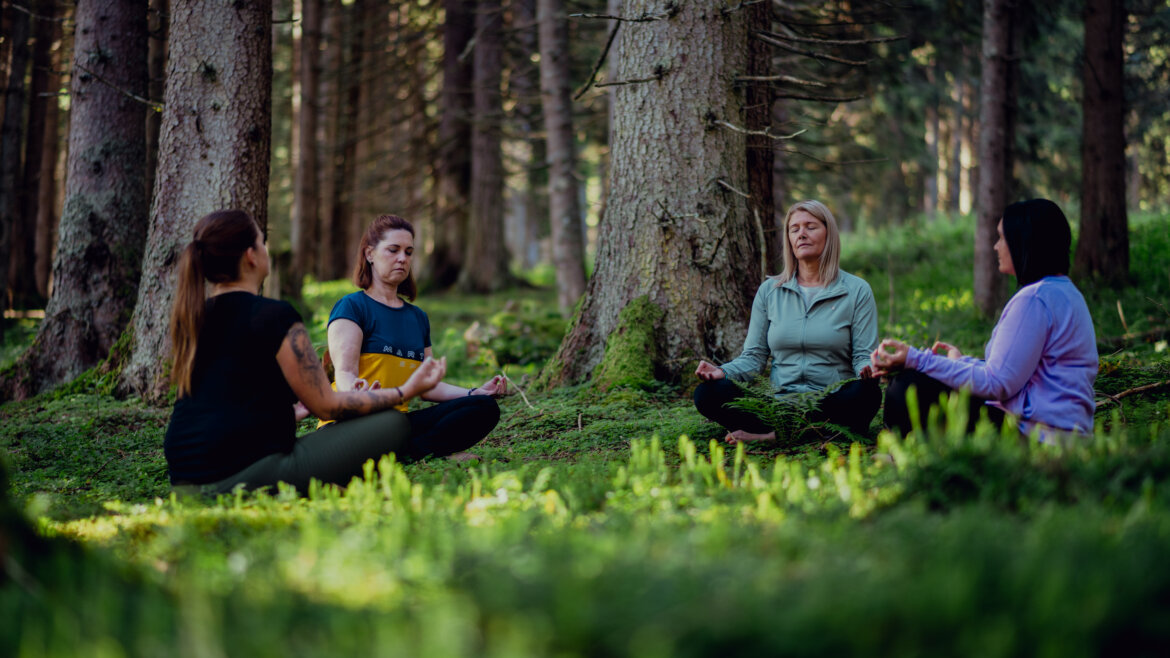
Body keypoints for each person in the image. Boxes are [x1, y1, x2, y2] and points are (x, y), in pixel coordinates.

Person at [164, 210, 447, 494]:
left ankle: (311, 489)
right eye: (263, 242)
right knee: (393, 422)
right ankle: (296, 490)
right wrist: (405, 391)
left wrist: (288, 413)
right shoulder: (275, 315)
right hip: (246, 473)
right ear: (251, 255)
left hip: (183, 479)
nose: (267, 250)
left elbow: (221, 400)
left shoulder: (191, 317)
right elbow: (328, 407)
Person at [871, 198, 1098, 440]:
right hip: (1060, 434)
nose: (995, 246)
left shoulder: (1035, 299)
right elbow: (1013, 375)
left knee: (909, 385)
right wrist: (961, 363)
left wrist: (916, 359)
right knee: (919, 378)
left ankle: (906, 461)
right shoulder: (1065, 293)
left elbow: (996, 384)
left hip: (1037, 437)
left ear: (1023, 241)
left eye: (1002, 237)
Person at [693, 200, 881, 443]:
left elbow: (863, 355)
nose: (801, 234)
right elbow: (754, 357)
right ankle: (804, 433)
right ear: (789, 239)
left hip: (831, 401)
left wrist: (868, 370)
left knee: (867, 393)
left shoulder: (856, 290)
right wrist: (722, 372)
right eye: (794, 229)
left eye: (810, 227)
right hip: (778, 406)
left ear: (829, 234)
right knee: (708, 394)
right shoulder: (770, 291)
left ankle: (772, 437)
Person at [325, 214, 504, 461]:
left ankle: (410, 455)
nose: (402, 258)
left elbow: (428, 386)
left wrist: (475, 392)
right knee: (384, 426)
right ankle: (415, 454)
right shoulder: (352, 307)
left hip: (396, 423)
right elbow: (344, 372)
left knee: (483, 408)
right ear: (369, 254)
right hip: (354, 422)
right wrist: (357, 394)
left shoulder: (417, 317)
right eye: (393, 250)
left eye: (409, 252)